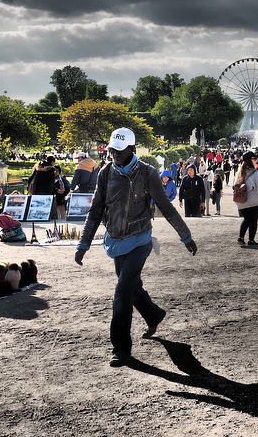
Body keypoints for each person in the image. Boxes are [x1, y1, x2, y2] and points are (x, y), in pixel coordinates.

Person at [74, 127, 198, 367]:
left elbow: (166, 206)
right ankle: (154, 314)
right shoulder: (105, 173)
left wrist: (186, 236)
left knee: (121, 293)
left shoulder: (147, 173)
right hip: (116, 240)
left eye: (120, 150)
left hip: (141, 240)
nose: (115, 154)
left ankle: (120, 349)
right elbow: (96, 210)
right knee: (131, 288)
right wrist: (83, 243)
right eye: (112, 149)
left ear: (132, 149)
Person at [235, 151, 258, 246]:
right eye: (254, 159)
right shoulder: (255, 173)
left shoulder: (239, 173)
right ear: (250, 160)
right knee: (253, 220)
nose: (256, 160)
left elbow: (235, 186)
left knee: (246, 219)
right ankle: (251, 240)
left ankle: (240, 238)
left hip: (241, 201)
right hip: (253, 201)